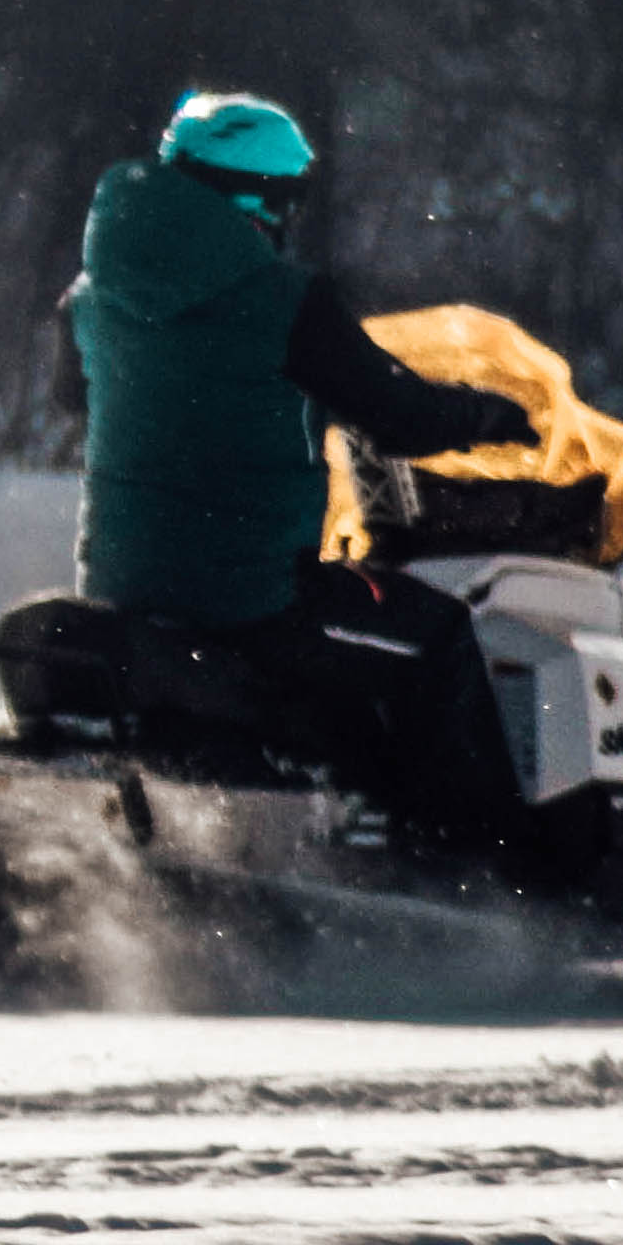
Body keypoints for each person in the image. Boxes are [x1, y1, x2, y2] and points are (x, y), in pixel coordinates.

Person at [61, 91, 533, 859]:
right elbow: (398, 413)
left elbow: (72, 394)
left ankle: (341, 813)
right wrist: (489, 418)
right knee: (443, 640)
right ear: (264, 199)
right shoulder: (282, 299)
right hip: (246, 594)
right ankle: (465, 870)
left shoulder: (89, 298)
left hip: (122, 583)